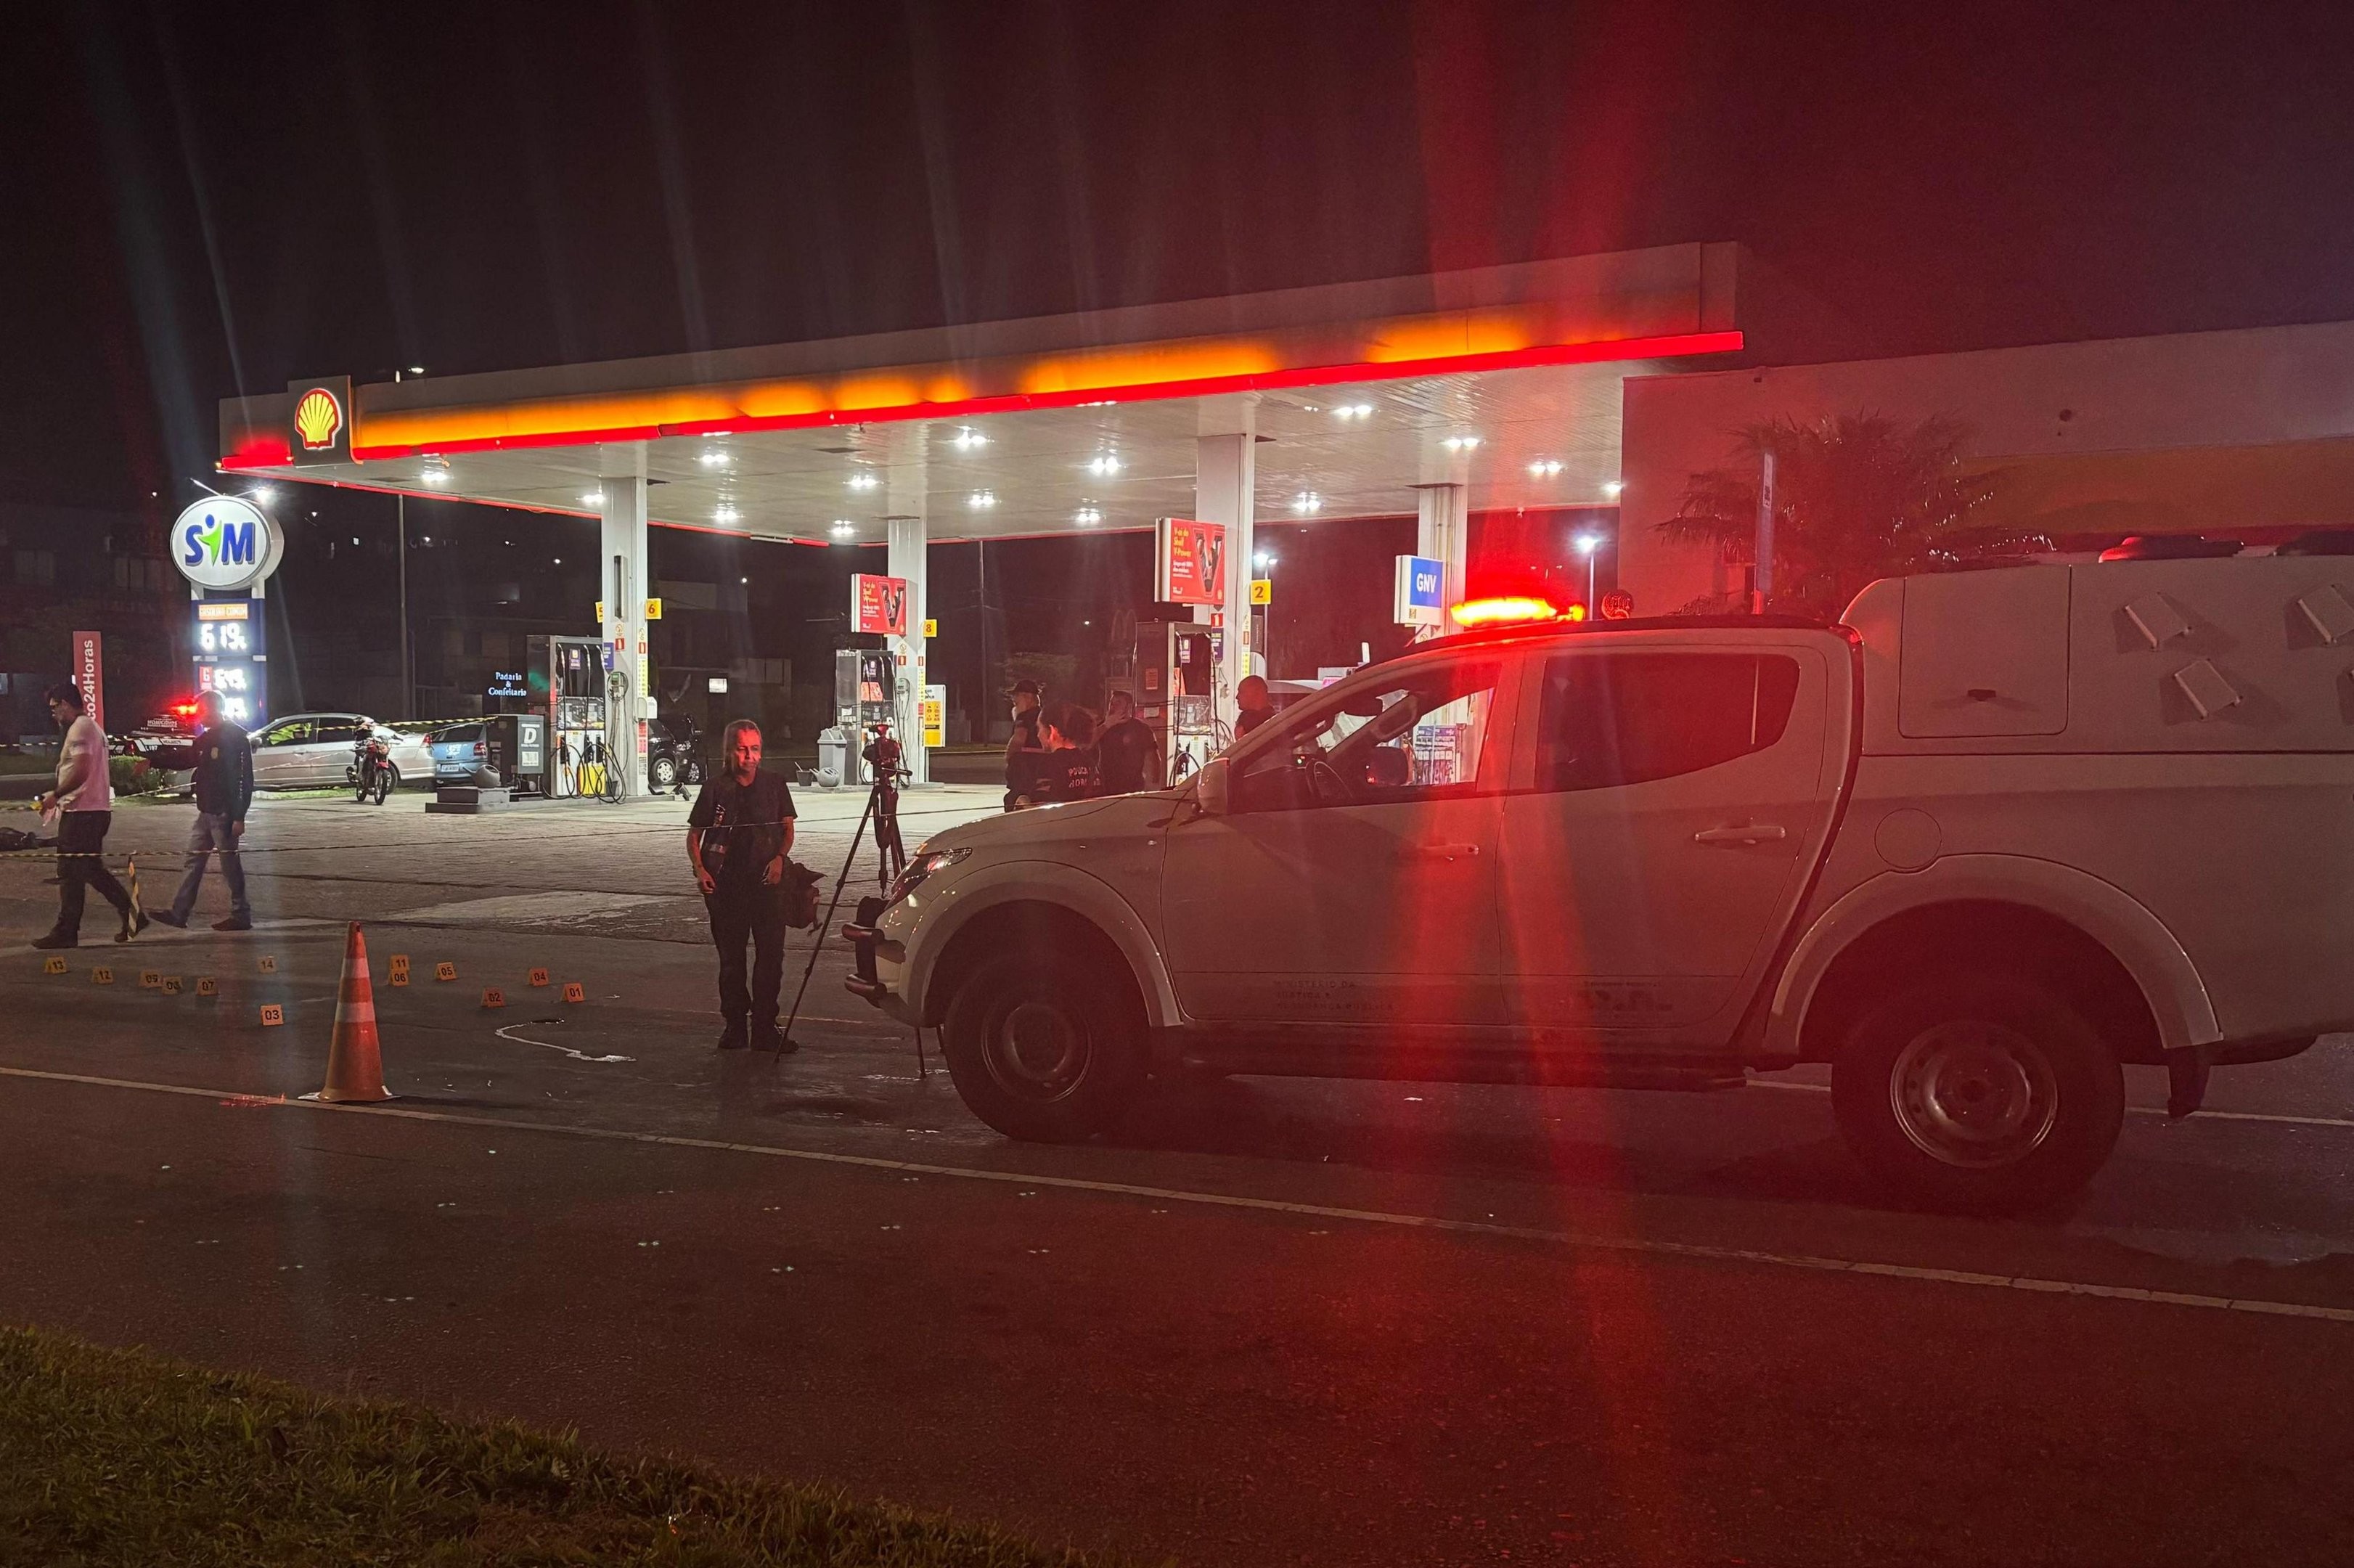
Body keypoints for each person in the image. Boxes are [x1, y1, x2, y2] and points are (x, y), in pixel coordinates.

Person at [686, 720, 798, 1052]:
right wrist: (700, 870)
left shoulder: (775, 784)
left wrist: (779, 858)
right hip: (727, 889)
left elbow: (788, 830)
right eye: (742, 748)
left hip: (768, 887)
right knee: (732, 960)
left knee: (771, 960)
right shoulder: (715, 788)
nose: (750, 756)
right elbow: (695, 836)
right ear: (730, 751)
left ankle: (764, 1028)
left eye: (755, 749)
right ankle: (735, 1027)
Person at [33, 682, 144, 950]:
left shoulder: (81, 729)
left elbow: (81, 771)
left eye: (54, 708)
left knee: (70, 873)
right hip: (94, 811)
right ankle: (132, 916)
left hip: (83, 813)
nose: (53, 714)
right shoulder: (91, 727)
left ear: (66, 704)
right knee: (91, 871)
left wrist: (56, 795)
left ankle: (66, 932)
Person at [150, 690, 253, 932]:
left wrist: (240, 816)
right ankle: (179, 913)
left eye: (201, 712)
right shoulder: (208, 738)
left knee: (230, 866)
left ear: (213, 708)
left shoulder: (235, 737)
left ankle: (241, 915)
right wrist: (153, 761)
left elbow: (244, 779)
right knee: (194, 861)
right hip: (205, 812)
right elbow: (187, 757)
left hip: (224, 814)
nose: (198, 718)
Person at [1015, 702, 1104, 807]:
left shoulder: (1050, 764)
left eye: (1040, 729)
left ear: (1053, 731)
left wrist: (1023, 802)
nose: (1038, 735)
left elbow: (1040, 809)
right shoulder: (1091, 764)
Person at [1097, 689, 1160, 793]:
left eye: (1118, 703)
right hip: (1106, 789)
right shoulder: (1103, 727)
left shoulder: (1141, 729)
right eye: (1111, 703)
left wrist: (1153, 786)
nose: (1113, 706)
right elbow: (1087, 742)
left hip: (1134, 788)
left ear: (1129, 707)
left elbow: (1154, 758)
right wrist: (1106, 726)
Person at [1002, 677, 1045, 810]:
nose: (1014, 700)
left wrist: (1009, 757)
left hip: (1024, 770)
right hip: (1041, 769)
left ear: (1028, 697)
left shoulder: (1025, 717)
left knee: (1013, 799)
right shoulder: (1044, 715)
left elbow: (1018, 740)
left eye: (1017, 696)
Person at [1235, 674, 1276, 738]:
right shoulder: (1276, 723)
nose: (1237, 697)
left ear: (1257, 693)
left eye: (1241, 692)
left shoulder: (1269, 726)